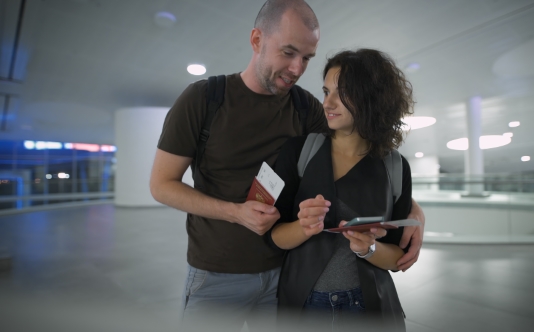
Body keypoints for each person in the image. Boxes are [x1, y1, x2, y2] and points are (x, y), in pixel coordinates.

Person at [149, 0, 424, 330]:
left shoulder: (304, 107)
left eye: (306, 57)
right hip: (218, 275)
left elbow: (358, 154)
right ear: (256, 40)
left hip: (285, 277)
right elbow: (162, 185)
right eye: (288, 52)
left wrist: (411, 208)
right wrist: (235, 212)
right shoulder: (204, 99)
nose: (297, 68)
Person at [269, 48, 415, 332]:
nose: (328, 102)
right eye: (326, 92)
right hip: (304, 306)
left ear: (371, 97)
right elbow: (274, 236)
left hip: (369, 308)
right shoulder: (300, 151)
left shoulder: (395, 166)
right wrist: (303, 227)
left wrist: (369, 248)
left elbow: (398, 258)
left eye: (342, 92)